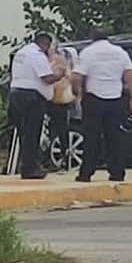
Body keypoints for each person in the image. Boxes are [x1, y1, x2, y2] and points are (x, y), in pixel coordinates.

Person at [72, 28, 132, 183]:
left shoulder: (88, 52)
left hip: (94, 98)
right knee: (114, 137)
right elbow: (130, 76)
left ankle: (86, 173)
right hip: (115, 99)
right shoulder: (120, 52)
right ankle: (117, 172)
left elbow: (76, 77)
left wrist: (77, 93)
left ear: (92, 38)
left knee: (91, 137)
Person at [8, 32, 65, 180]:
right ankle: (30, 169)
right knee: (32, 134)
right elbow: (47, 78)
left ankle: (26, 165)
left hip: (16, 95)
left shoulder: (23, 52)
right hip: (31, 98)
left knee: (24, 134)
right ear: (46, 44)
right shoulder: (37, 55)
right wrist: (59, 74)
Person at [46, 38, 79, 172]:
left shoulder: (59, 61)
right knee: (55, 130)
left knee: (61, 130)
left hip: (59, 99)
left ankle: (63, 159)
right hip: (50, 98)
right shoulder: (45, 60)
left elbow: (66, 77)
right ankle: (53, 158)